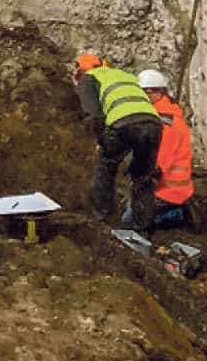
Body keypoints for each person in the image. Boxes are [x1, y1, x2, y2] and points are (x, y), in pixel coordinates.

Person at [74, 51, 163, 232]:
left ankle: (101, 220)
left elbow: (94, 115)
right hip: (152, 123)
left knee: (105, 166)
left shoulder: (89, 78)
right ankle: (143, 228)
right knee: (143, 176)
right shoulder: (125, 76)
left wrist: (102, 140)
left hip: (122, 123)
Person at [127, 67, 195, 231]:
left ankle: (179, 214)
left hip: (170, 191)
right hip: (165, 185)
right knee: (133, 206)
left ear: (153, 93)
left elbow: (162, 159)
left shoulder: (167, 124)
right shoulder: (159, 115)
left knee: (131, 222)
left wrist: (144, 180)